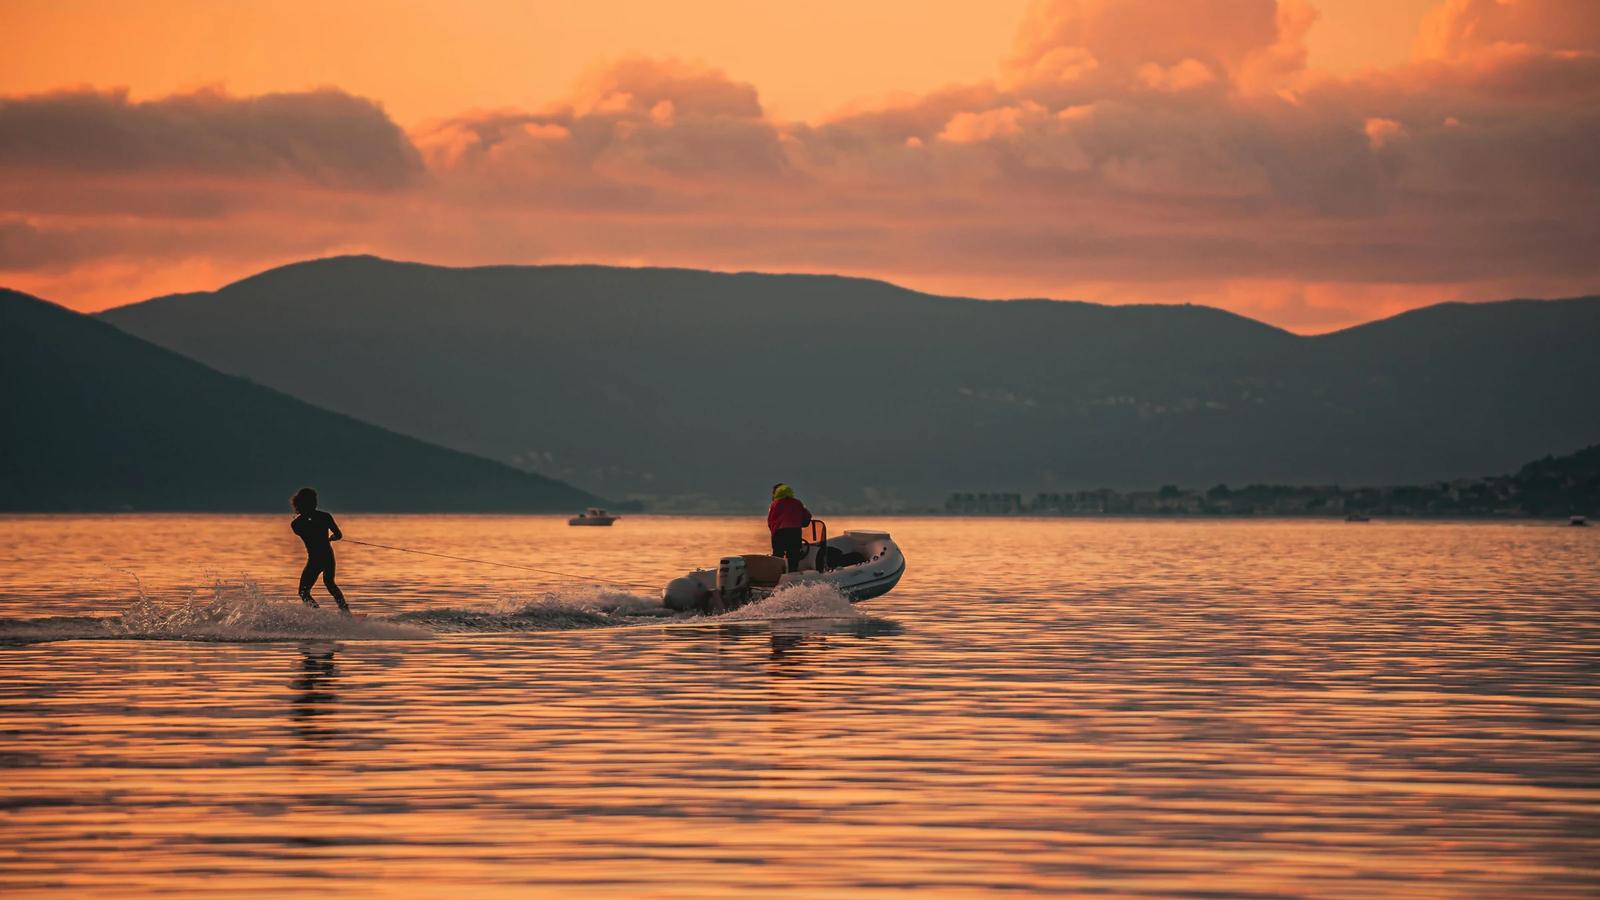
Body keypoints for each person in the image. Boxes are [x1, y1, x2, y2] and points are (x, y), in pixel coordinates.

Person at [290, 487, 351, 615]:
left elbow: (337, 535)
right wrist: (331, 537)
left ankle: (340, 614)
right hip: (323, 557)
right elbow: (338, 535)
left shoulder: (297, 523)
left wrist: (331, 537)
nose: (315, 503)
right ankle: (335, 614)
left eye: (315, 501)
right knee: (325, 585)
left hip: (318, 558)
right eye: (312, 501)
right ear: (303, 503)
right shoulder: (323, 517)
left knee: (307, 591)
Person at [767, 483, 812, 573]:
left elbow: (770, 521)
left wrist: (774, 532)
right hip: (794, 532)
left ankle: (776, 574)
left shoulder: (774, 504)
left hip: (779, 533)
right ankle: (792, 574)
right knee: (793, 555)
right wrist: (800, 523)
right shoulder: (797, 503)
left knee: (777, 555)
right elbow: (807, 517)